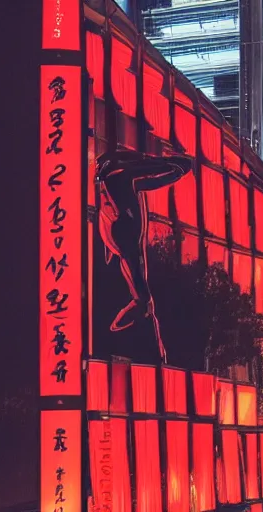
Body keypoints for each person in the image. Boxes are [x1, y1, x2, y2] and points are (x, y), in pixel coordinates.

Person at [95, 150, 193, 363]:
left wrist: (172, 167)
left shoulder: (110, 181)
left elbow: (148, 172)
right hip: (124, 233)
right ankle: (154, 350)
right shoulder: (122, 176)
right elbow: (150, 173)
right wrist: (175, 169)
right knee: (142, 292)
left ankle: (150, 343)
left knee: (139, 285)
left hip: (120, 235)